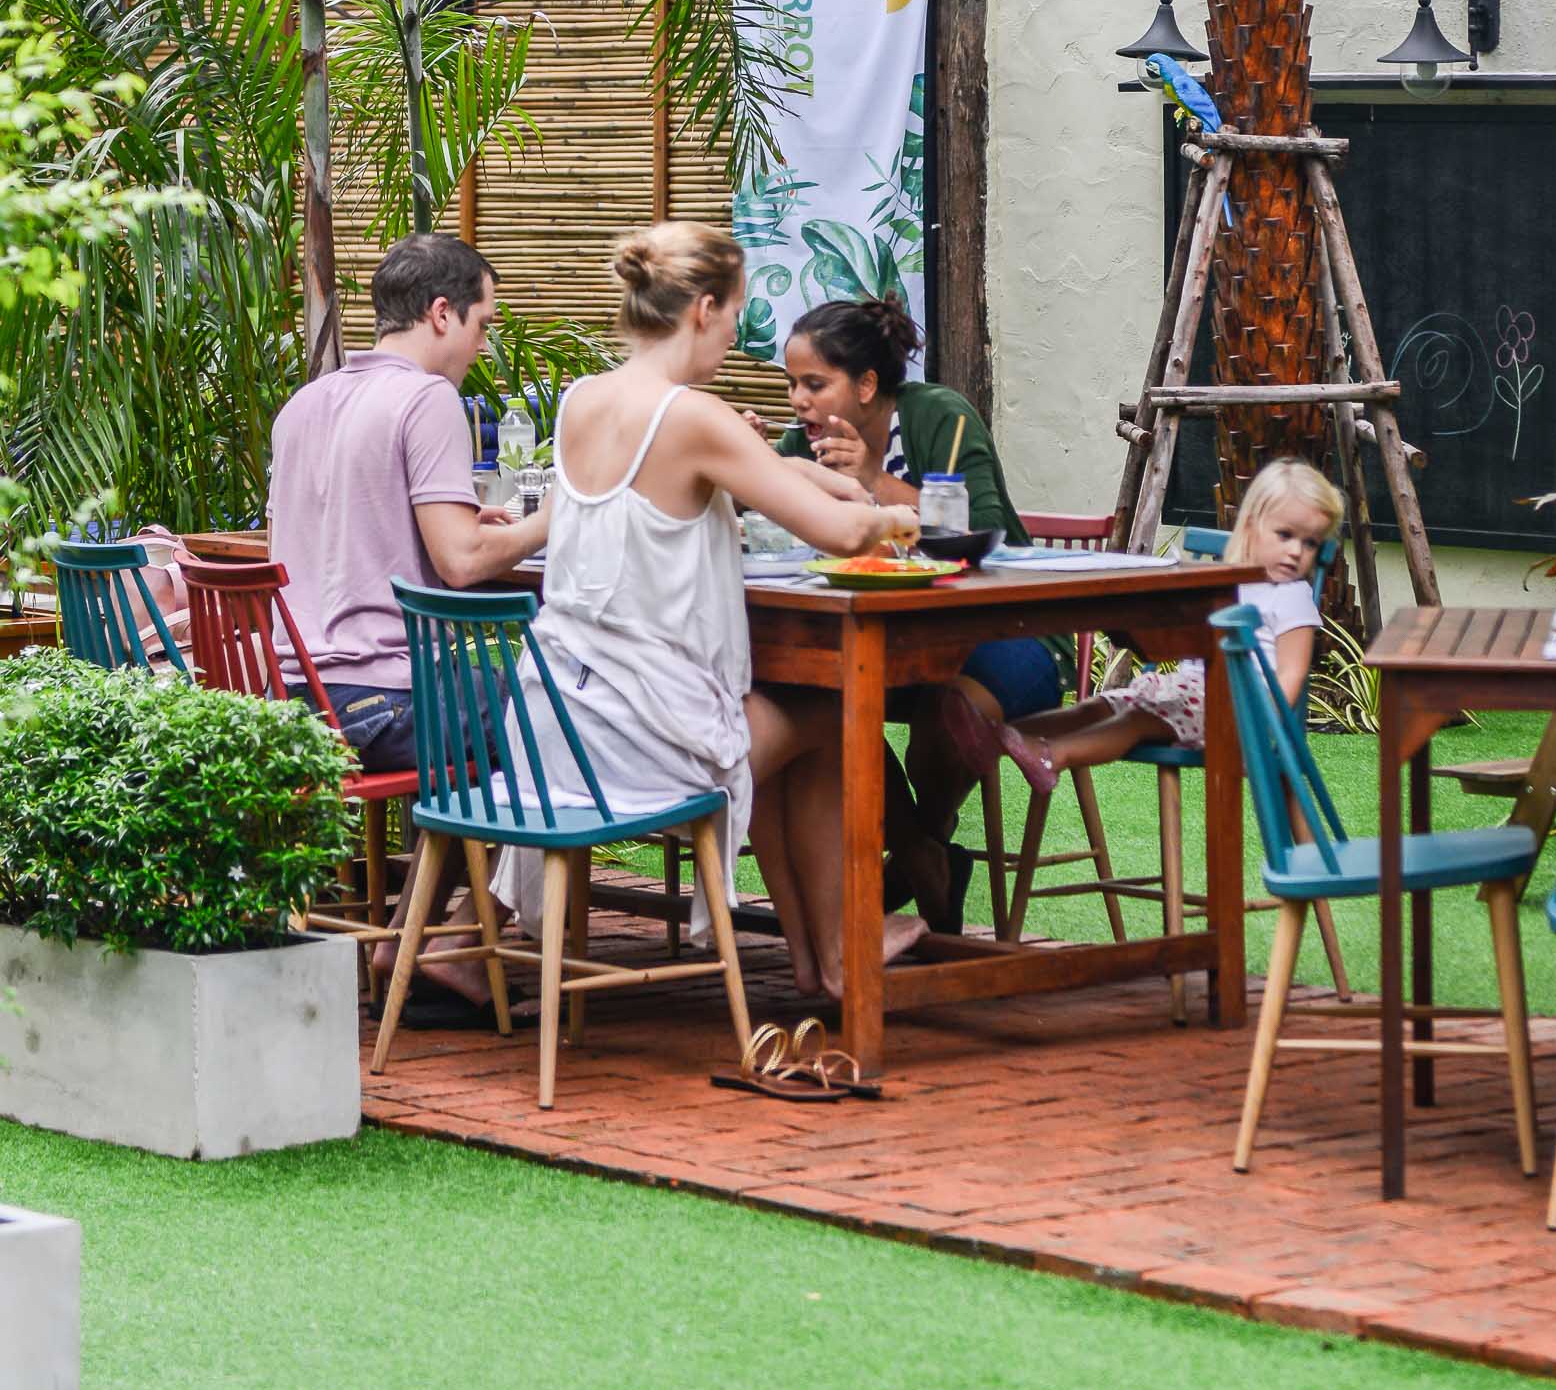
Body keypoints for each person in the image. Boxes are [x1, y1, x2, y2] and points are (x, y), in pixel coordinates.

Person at [491, 223, 929, 1001]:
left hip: (554, 719)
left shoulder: (582, 400)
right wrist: (900, 520)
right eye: (735, 314)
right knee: (829, 720)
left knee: (794, 720)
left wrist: (823, 481)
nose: (736, 334)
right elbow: (838, 533)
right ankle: (834, 955)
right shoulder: (691, 416)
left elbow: (759, 474)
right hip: (641, 739)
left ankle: (817, 957)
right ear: (703, 308)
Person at [776, 298, 1048, 929]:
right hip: (883, 642)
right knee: (816, 703)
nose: (798, 401)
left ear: (867, 384)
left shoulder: (938, 417)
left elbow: (984, 527)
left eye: (814, 384)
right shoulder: (801, 445)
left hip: (1002, 630)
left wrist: (874, 478)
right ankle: (925, 858)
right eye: (792, 385)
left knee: (948, 714)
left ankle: (917, 849)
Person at [269, 233, 550, 774]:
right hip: (382, 707)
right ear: (442, 313)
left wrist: (450, 523)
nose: (483, 346)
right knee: (557, 709)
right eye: (482, 325)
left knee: (494, 693)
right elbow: (461, 563)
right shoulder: (428, 397)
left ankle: (436, 835)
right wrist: (553, 520)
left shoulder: (302, 404)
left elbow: (310, 540)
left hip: (293, 706)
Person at [965, 459, 1340, 792]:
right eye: (1285, 535)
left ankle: (1053, 754)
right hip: (1191, 691)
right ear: (1252, 526)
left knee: (1137, 720)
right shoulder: (1228, 582)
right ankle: (996, 736)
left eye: (1310, 543)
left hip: (1236, 709)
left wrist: (1256, 732)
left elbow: (1290, 675)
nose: (1296, 551)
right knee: (1100, 705)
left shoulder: (1292, 596)